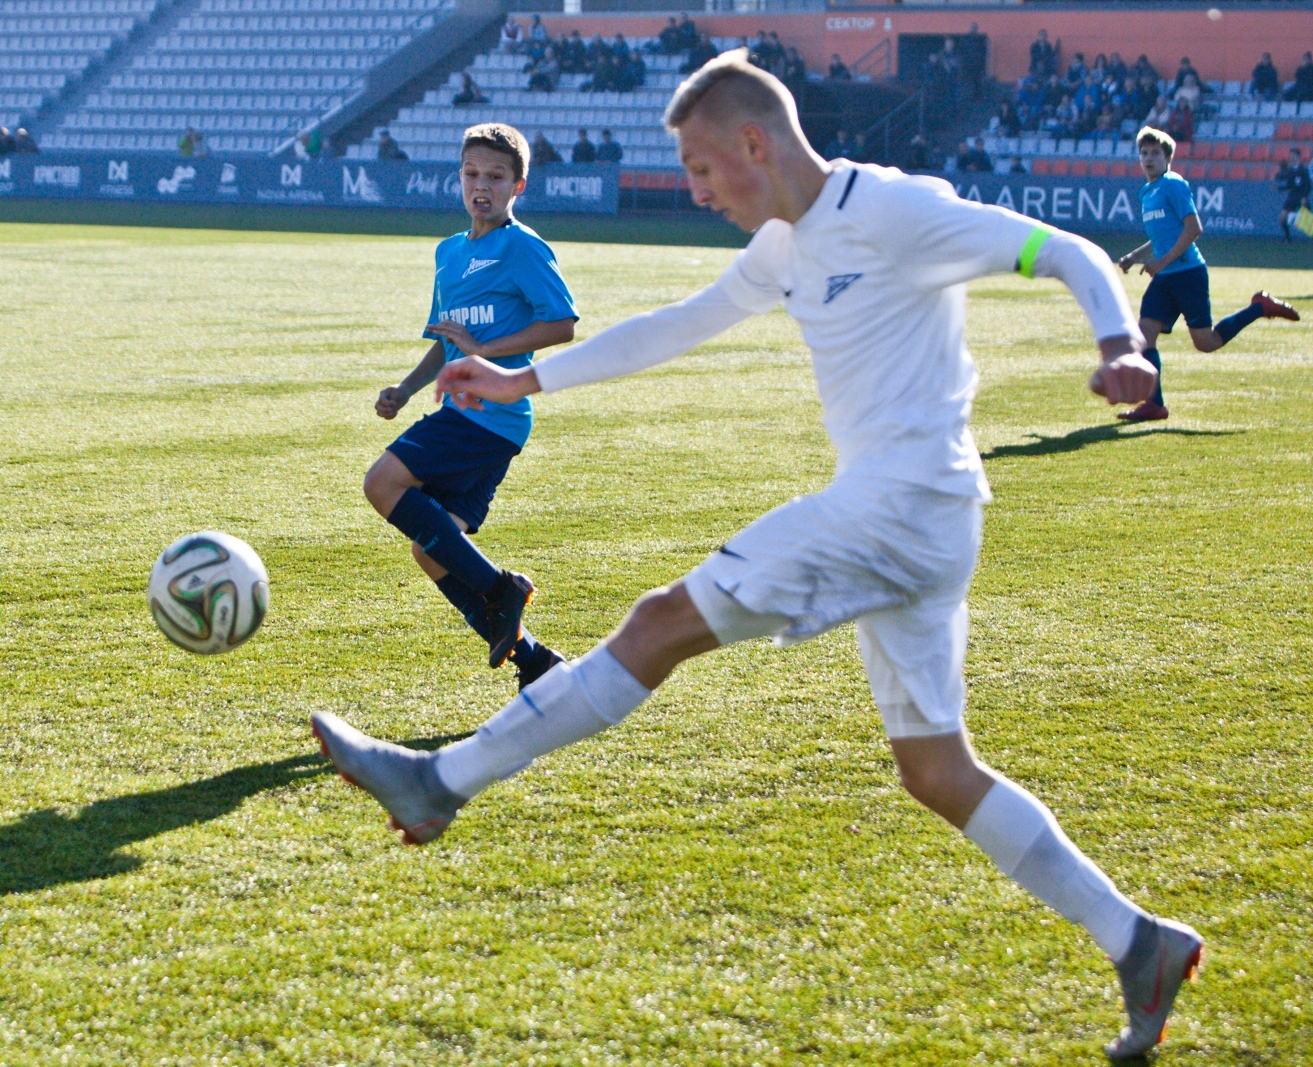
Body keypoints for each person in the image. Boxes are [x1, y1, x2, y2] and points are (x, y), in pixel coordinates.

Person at [313, 47, 1208, 1065]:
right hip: (926, 518)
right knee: (935, 768)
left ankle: (439, 780)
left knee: (656, 624)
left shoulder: (896, 211)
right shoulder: (786, 244)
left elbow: (1065, 250)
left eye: (699, 168)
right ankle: (1137, 939)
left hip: (899, 503)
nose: (693, 192)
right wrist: (522, 385)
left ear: (753, 144)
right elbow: (677, 325)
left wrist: (1115, 344)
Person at [364, 122, 577, 690]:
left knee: (382, 483)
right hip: (470, 418)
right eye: (472, 174)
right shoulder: (448, 253)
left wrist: (488, 351)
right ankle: (537, 663)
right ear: (459, 178)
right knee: (432, 551)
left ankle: (501, 589)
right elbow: (445, 341)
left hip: (491, 413)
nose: (481, 186)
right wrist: (406, 390)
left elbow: (562, 325)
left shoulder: (523, 247)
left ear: (518, 185)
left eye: (495, 176)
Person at [1114, 126, 1299, 421]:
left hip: (1188, 274)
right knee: (1144, 334)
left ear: (1167, 158)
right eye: (1144, 153)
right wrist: (1135, 256)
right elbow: (1163, 235)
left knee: (1207, 343)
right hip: (1165, 278)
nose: (1148, 158)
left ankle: (1259, 307)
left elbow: (1193, 229)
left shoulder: (1173, 184)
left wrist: (1161, 263)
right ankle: (1154, 404)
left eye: (1155, 153)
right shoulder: (1147, 192)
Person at [1278, 146, 1311, 241]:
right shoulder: (1290, 170)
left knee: (1308, 222)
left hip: (1301, 197)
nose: (1292, 157)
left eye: (1294, 155)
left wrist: (1305, 197)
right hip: (1292, 197)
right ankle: (1287, 238)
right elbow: (1289, 185)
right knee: (1282, 217)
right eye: (1291, 155)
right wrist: (1279, 188)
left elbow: (1308, 185)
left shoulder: (1303, 169)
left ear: (1298, 156)